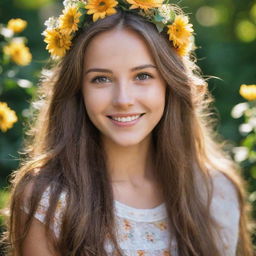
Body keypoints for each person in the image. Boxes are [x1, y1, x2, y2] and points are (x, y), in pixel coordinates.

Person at [3, 0, 254, 255]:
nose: (123, 99)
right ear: (78, 89)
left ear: (169, 83)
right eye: (101, 79)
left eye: (142, 76)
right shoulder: (50, 200)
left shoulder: (216, 193)